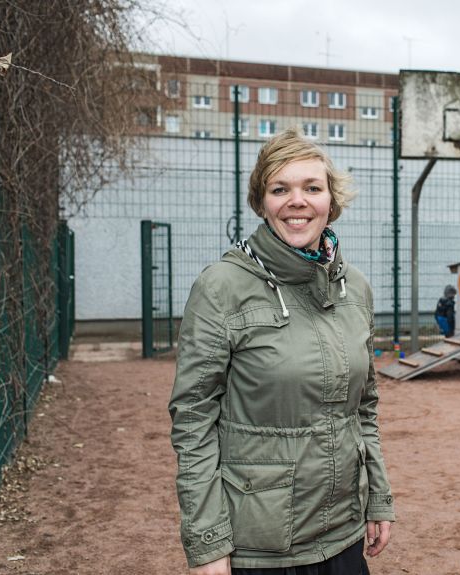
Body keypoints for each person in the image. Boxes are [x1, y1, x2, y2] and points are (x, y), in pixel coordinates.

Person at [169, 127, 395, 575]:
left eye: (312, 187)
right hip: (263, 546)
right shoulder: (222, 287)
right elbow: (193, 419)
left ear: (331, 200)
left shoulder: (356, 289)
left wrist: (379, 498)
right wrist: (208, 542)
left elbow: (363, 407)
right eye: (280, 189)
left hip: (344, 534)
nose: (297, 201)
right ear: (261, 201)